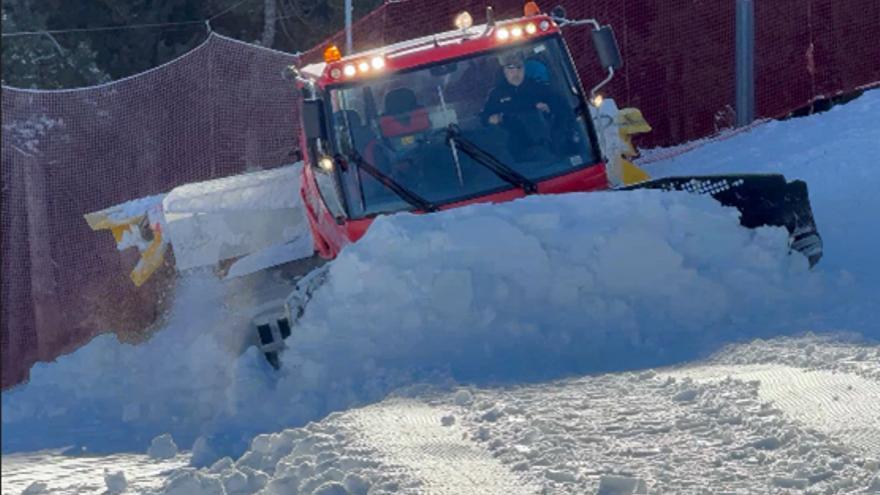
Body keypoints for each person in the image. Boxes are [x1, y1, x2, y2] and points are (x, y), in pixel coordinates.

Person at [481, 50, 567, 160]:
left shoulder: (538, 88)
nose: (515, 72)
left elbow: (562, 108)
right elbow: (483, 117)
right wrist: (489, 119)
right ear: (504, 71)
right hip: (514, 147)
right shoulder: (496, 94)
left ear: (524, 68)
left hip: (544, 143)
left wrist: (549, 108)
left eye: (519, 67)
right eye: (510, 68)